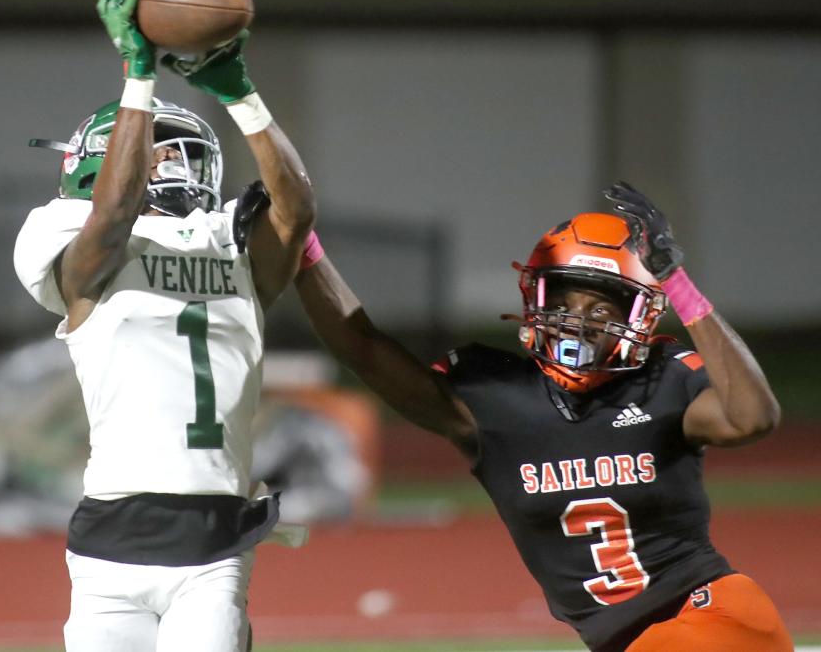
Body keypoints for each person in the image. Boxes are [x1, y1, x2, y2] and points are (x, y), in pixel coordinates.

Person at [293, 182, 793, 651]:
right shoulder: (494, 396)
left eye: (600, 310)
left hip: (712, 619)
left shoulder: (662, 382)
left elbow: (752, 417)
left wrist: (676, 280)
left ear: (637, 317)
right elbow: (362, 348)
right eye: (562, 300)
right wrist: (303, 247)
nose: (577, 321)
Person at [13, 0, 315, 652]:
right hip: (109, 547)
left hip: (213, 544)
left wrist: (241, 93)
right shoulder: (72, 243)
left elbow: (296, 212)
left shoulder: (230, 244)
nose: (168, 163)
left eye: (179, 152)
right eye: (155, 150)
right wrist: (137, 76)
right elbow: (115, 214)